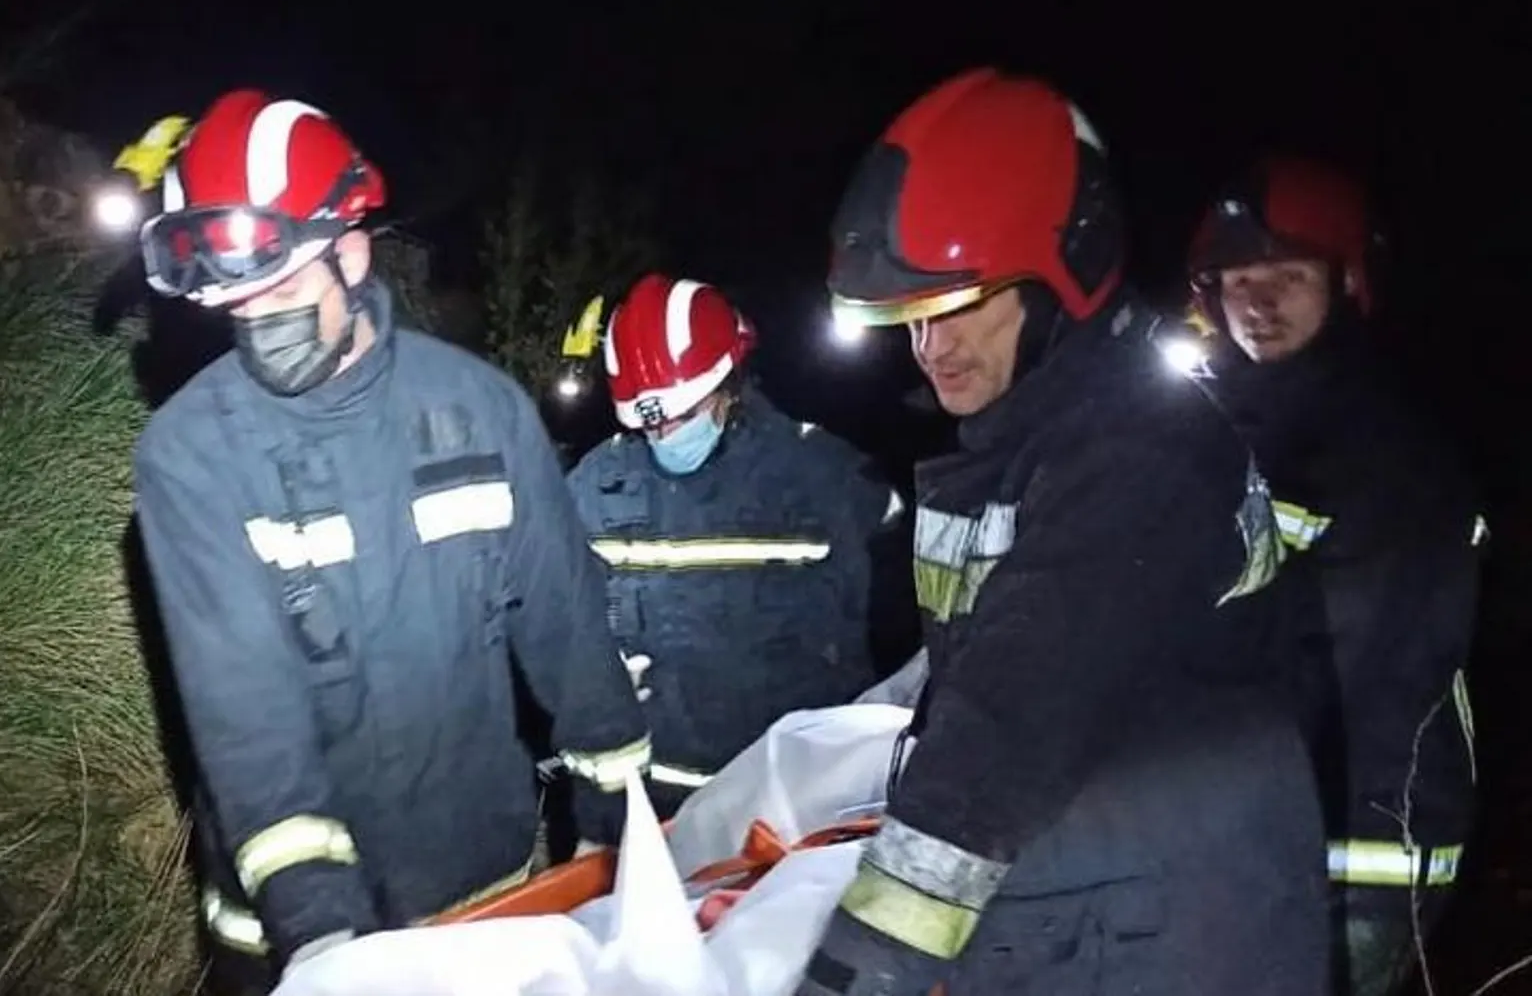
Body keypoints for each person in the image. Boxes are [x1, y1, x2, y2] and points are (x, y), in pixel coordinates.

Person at [797, 66, 1329, 996]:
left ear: (1060, 283)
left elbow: (1008, 723)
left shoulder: (1136, 455)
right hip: (1087, 903)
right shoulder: (1018, 441)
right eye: (914, 316)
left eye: (962, 303)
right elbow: (980, 654)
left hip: (1174, 931)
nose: (933, 345)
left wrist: (853, 975)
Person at [129, 88, 652, 991]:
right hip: (290, 929)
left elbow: (567, 628)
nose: (262, 328)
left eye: (284, 288)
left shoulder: (482, 410)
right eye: (238, 308)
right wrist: (322, 935)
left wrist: (617, 822)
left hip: (480, 888)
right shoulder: (190, 453)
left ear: (350, 246)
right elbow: (244, 712)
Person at [1186, 156, 1485, 996]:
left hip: (1362, 843)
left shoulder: (1383, 448)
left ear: (1346, 281)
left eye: (1288, 274)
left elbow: (1329, 649)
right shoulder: (1228, 425)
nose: (1258, 300)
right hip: (1257, 828)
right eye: (1237, 277)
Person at [565, 272, 903, 826]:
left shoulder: (822, 479)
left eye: (683, 415)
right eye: (651, 425)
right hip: (650, 817)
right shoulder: (594, 491)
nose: (667, 433)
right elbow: (580, 669)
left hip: (784, 814)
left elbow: (894, 637)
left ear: (728, 383)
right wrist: (594, 828)